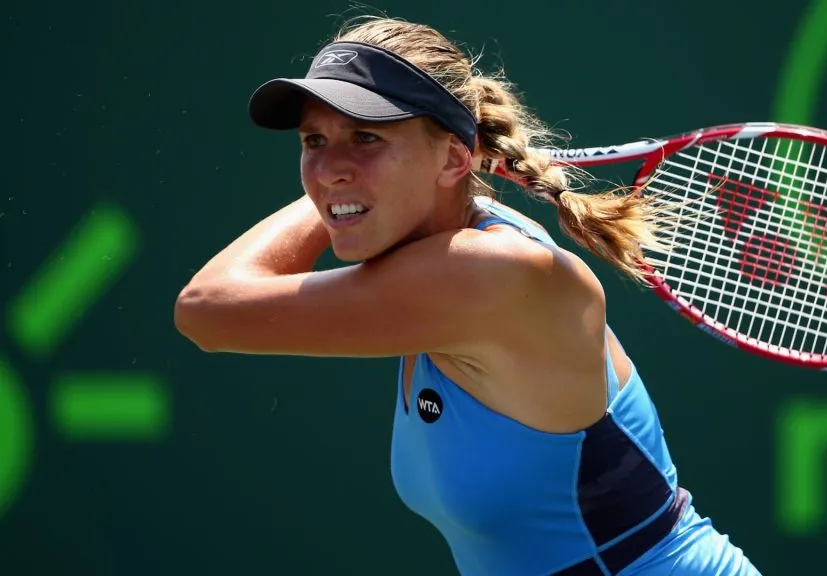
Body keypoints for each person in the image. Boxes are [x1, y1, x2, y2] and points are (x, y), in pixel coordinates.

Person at [174, 14, 762, 576]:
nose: (329, 166)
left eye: (366, 138)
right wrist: (371, 181)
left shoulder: (487, 272)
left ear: (456, 158)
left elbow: (206, 311)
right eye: (314, 140)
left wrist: (348, 190)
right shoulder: (431, 250)